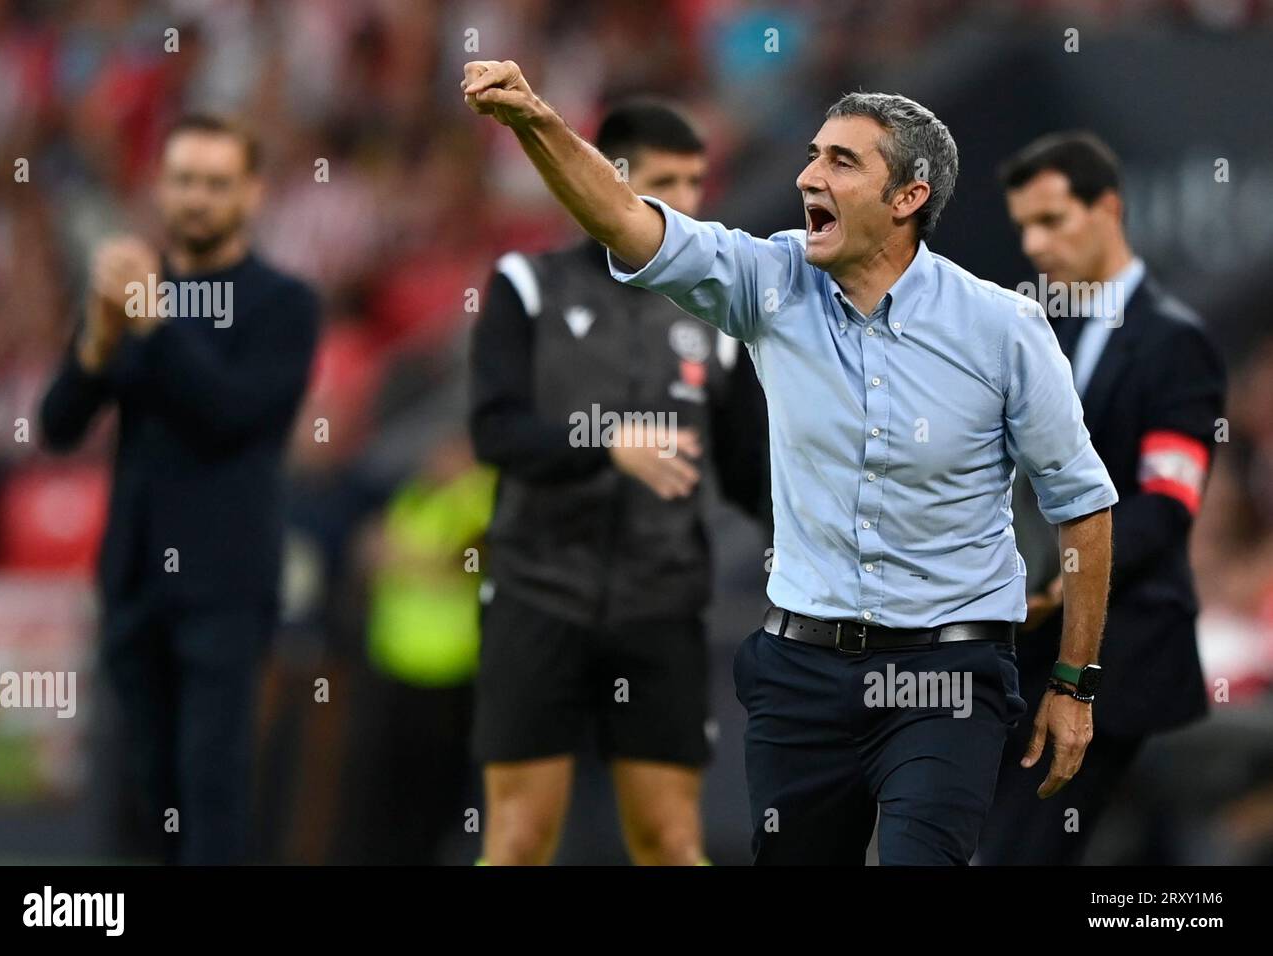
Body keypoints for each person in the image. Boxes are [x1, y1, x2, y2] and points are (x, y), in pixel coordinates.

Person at [461, 59, 1117, 866]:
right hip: (802, 675)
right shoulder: (770, 282)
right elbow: (627, 220)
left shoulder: (1005, 329)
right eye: (813, 155)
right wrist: (537, 121)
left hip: (947, 673)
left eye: (843, 162)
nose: (809, 175)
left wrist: (1073, 682)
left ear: (908, 198)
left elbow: (1082, 504)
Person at [468, 100, 767, 865]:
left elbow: (747, 475)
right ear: (608, 179)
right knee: (519, 838)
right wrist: (604, 443)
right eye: (668, 181)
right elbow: (494, 432)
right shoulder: (525, 287)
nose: (689, 202)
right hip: (539, 593)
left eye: (698, 182)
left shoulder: (718, 313)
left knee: (669, 839)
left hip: (661, 602)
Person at [39, 114, 319, 864]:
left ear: (253, 194)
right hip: (133, 577)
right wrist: (98, 339)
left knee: (212, 787)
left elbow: (232, 413)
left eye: (217, 184)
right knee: (142, 793)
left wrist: (155, 326)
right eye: (185, 181)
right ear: (160, 188)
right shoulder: (132, 290)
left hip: (224, 581)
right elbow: (57, 426)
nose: (198, 199)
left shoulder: (283, 304)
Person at [977, 131, 1226, 864]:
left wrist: (1063, 580)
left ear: (1108, 208)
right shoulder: (1038, 331)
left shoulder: (1174, 343)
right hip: (1023, 648)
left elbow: (1167, 505)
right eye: (1024, 225)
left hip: (1123, 653)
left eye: (1052, 220)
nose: (1034, 243)